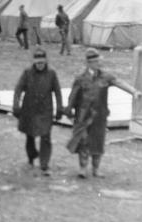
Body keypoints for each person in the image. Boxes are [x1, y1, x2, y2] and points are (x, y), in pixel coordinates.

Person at [65, 48, 142, 178]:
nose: (97, 64)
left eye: (98, 61)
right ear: (88, 63)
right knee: (83, 141)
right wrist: (68, 111)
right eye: (94, 62)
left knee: (98, 142)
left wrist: (134, 91)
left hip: (100, 116)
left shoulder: (105, 76)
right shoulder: (80, 78)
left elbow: (119, 82)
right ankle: (83, 168)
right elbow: (72, 97)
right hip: (83, 116)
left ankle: (96, 169)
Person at [12, 49, 64, 176]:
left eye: (42, 62)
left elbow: (57, 92)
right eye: (37, 62)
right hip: (29, 109)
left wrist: (59, 108)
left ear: (46, 61)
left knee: (46, 136)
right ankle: (31, 157)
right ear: (34, 62)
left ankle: (44, 163)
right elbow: (18, 89)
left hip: (45, 110)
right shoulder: (27, 73)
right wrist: (16, 105)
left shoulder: (51, 74)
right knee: (30, 135)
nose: (40, 65)